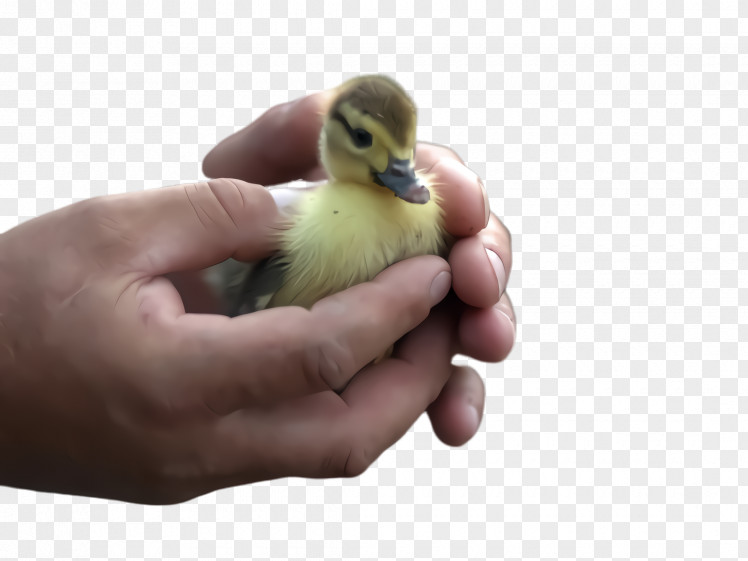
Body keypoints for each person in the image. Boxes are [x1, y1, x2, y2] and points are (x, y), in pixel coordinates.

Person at [0, 90, 515, 504]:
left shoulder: (416, 210)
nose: (400, 170)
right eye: (364, 138)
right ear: (334, 139)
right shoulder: (308, 224)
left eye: (401, 148)